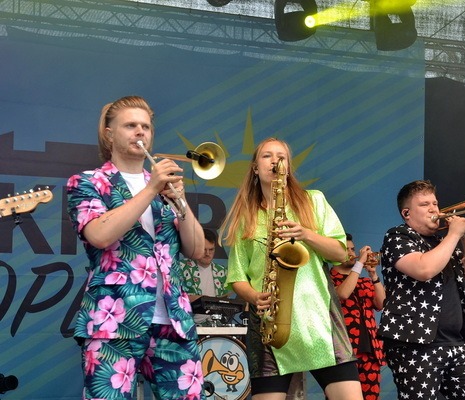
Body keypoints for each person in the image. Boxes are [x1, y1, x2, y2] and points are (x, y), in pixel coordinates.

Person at [66, 95, 206, 400]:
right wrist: (151, 189)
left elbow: (196, 250)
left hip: (172, 319)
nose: (140, 132)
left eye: (145, 126)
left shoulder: (161, 184)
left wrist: (182, 205)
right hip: (113, 319)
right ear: (109, 132)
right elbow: (100, 235)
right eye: (130, 125)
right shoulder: (88, 182)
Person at [220, 137, 363, 400]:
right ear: (254, 167)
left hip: (319, 320)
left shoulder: (313, 200)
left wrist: (306, 234)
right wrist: (254, 297)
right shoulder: (247, 216)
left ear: (288, 166)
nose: (275, 161)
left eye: (281, 156)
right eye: (267, 156)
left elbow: (340, 252)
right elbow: (237, 276)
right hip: (270, 325)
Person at [378, 179, 465, 400]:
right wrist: (453, 235)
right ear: (407, 213)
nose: (434, 208)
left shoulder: (442, 243)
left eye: (435, 203)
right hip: (414, 343)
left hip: (455, 342)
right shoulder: (397, 236)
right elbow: (424, 269)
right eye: (424, 204)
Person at [330, 233, 386, 400]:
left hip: (370, 353)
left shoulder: (363, 281)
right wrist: (360, 263)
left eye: (352, 249)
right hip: (343, 354)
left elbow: (381, 304)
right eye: (346, 250)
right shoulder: (328, 279)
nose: (351, 253)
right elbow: (343, 294)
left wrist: (373, 276)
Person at [179, 228, 230, 302]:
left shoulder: (221, 271)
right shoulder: (182, 267)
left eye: (211, 249)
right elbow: (175, 297)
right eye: (204, 249)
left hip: (215, 313)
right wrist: (204, 299)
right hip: (190, 313)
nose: (207, 254)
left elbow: (225, 300)